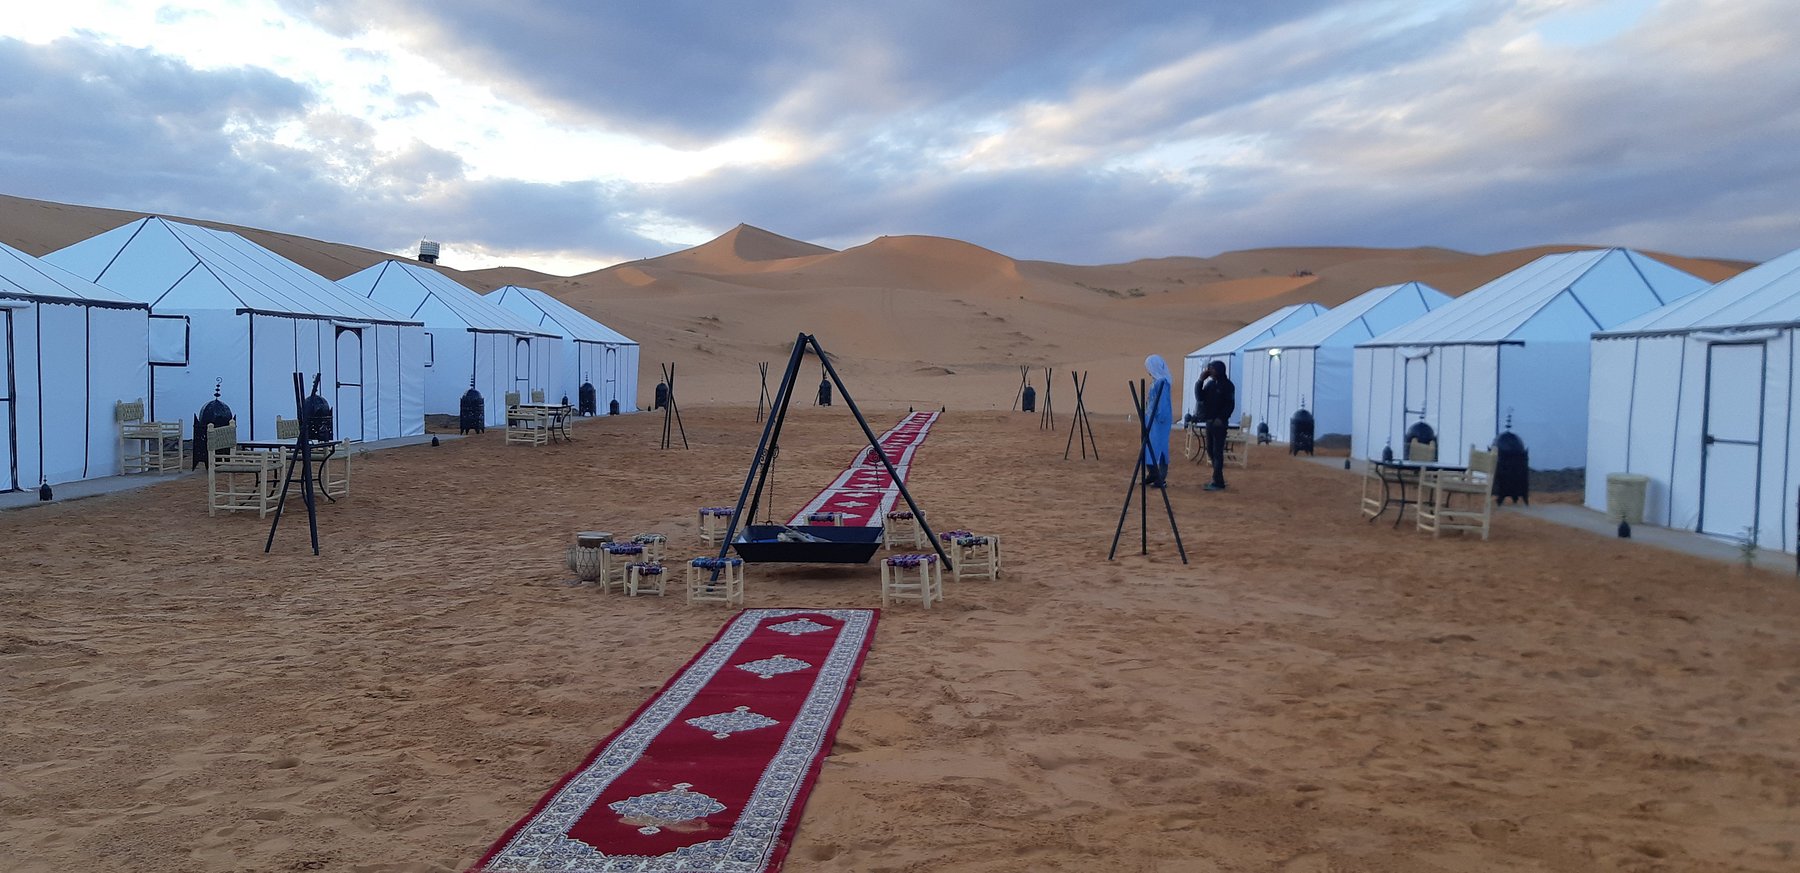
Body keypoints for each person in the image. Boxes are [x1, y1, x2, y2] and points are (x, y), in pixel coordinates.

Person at [1197, 359, 1234, 491]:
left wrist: (1221, 418)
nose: (1210, 370)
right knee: (1210, 450)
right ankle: (1218, 478)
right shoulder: (1210, 385)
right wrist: (1200, 381)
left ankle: (1218, 482)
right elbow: (1200, 397)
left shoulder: (1228, 385)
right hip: (1209, 422)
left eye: (1212, 368)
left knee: (1217, 452)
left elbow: (1230, 405)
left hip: (1219, 424)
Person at [1142, 355, 1173, 486]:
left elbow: (1163, 403)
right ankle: (1153, 473)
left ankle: (1161, 477)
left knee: (1159, 447)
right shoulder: (1155, 381)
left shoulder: (1162, 383)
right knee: (1148, 447)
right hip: (1151, 419)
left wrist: (1160, 416)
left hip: (1160, 421)